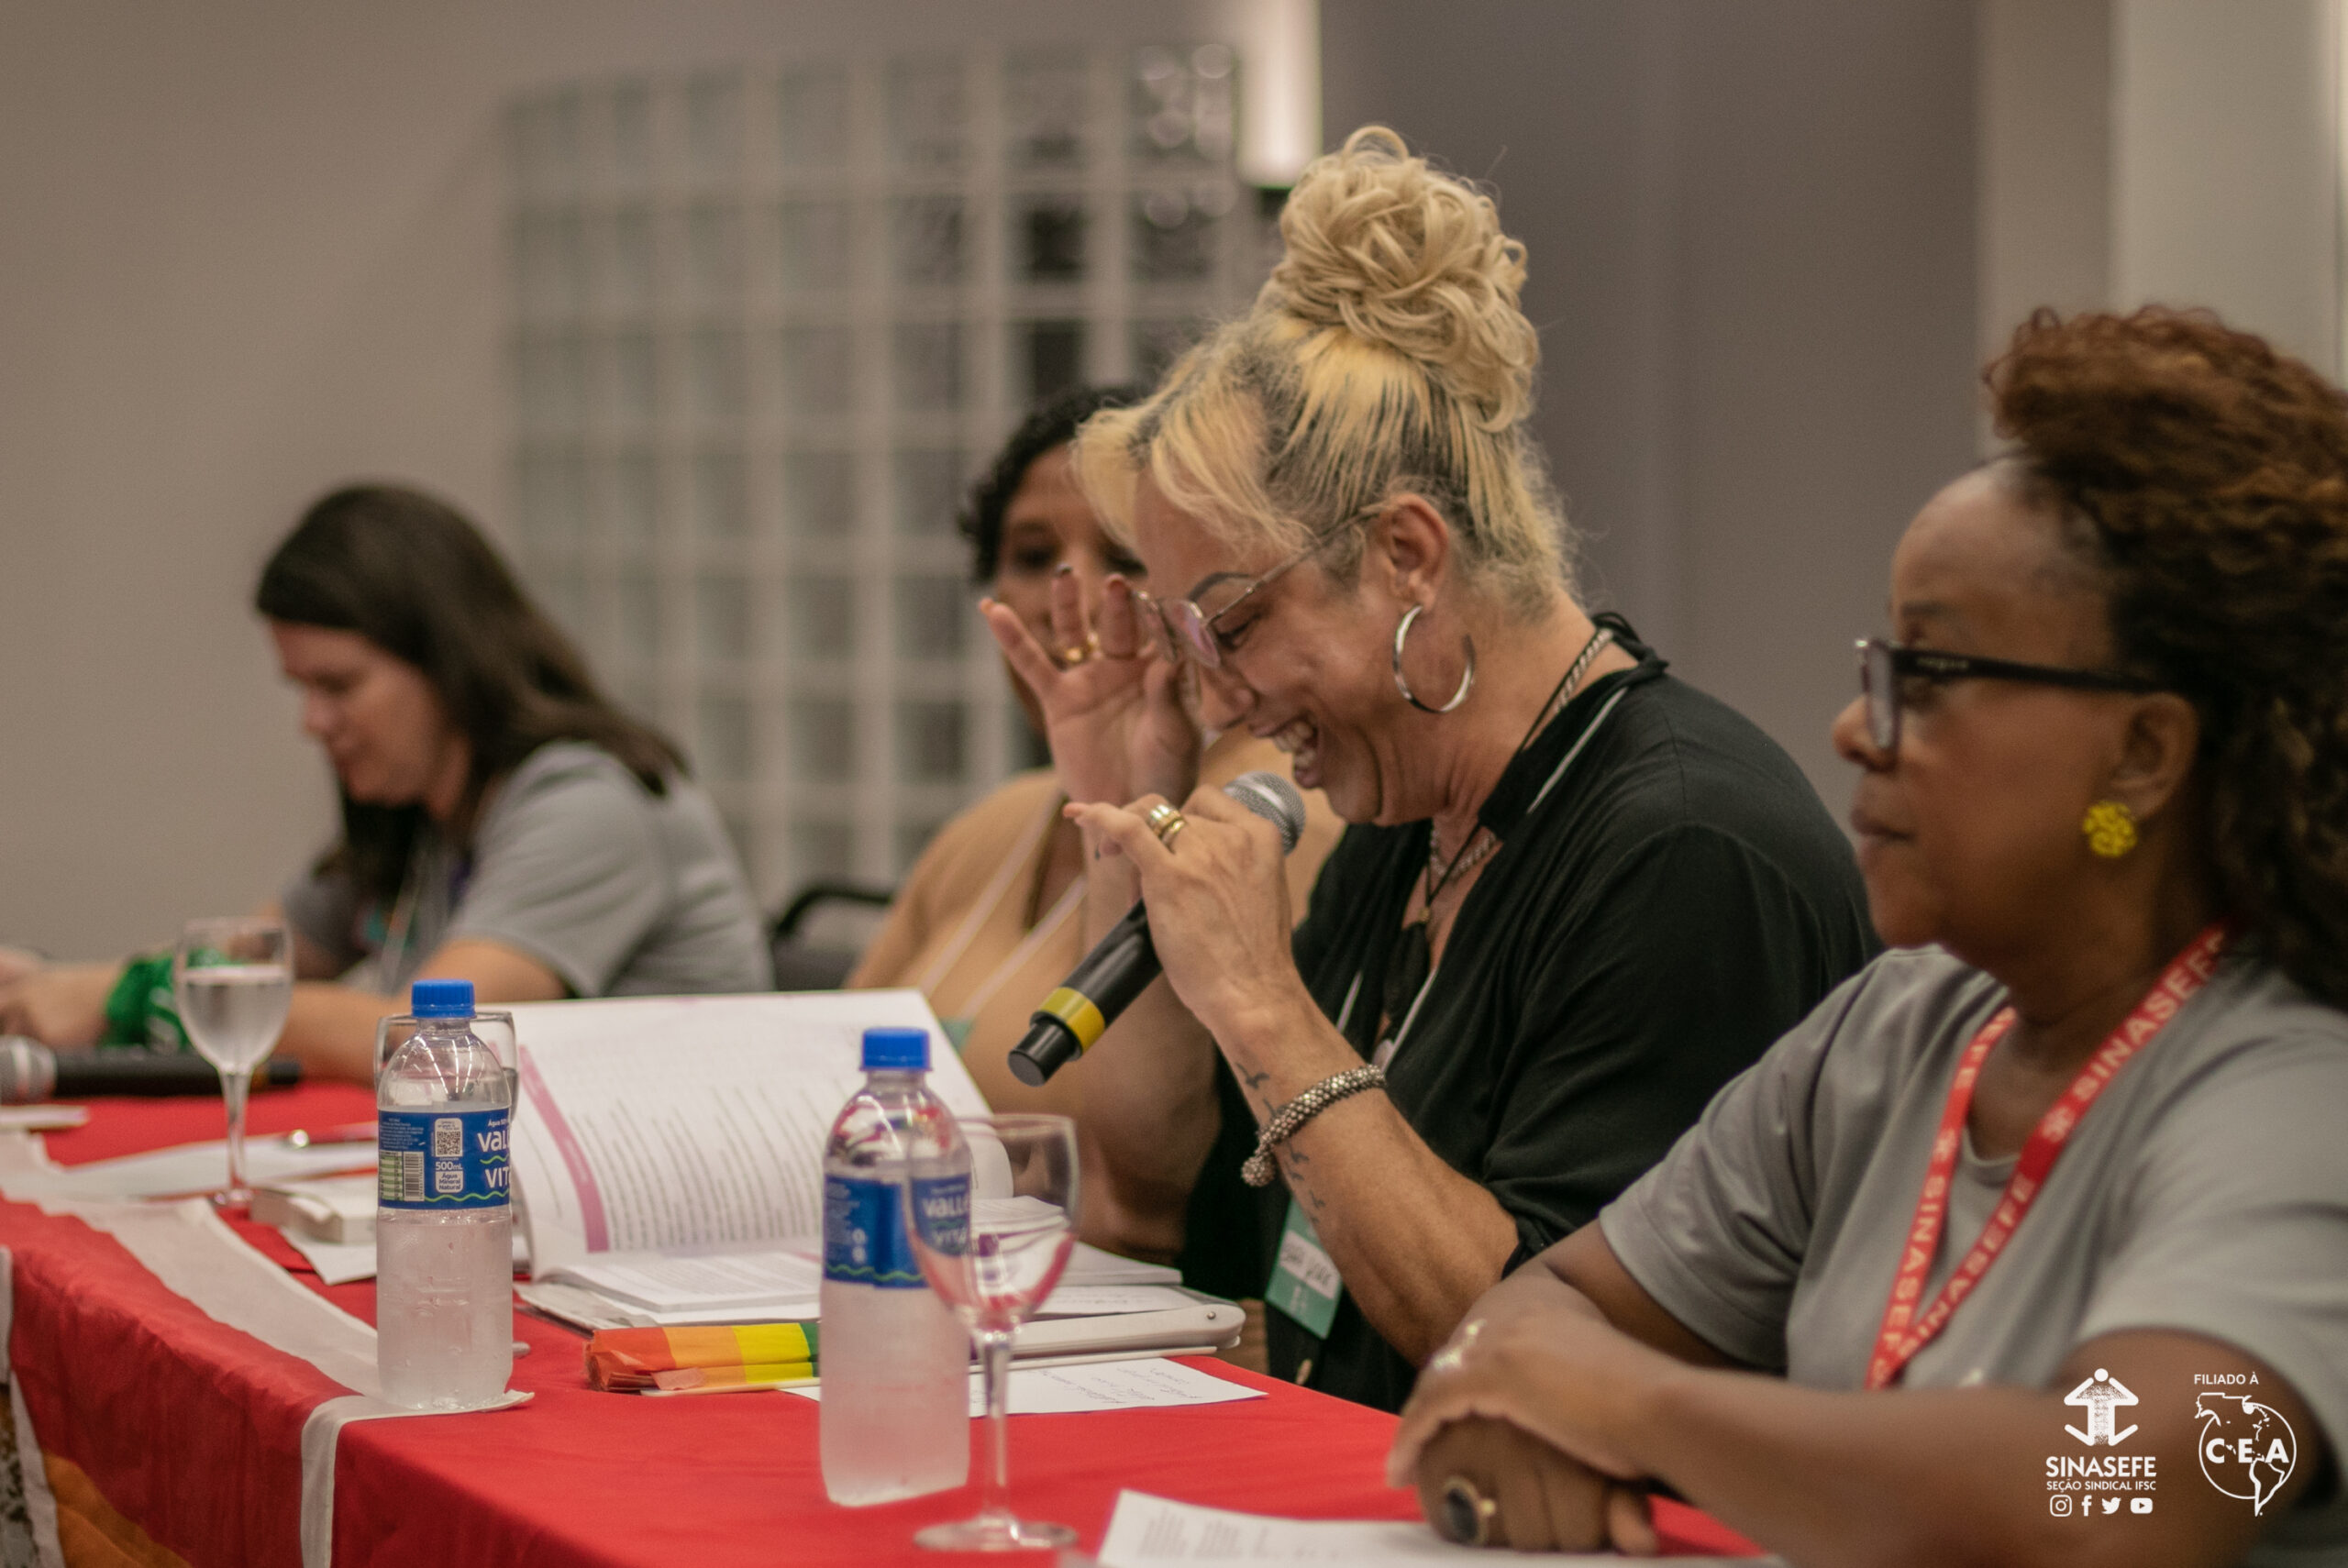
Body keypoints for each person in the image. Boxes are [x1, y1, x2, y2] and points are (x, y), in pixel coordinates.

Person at [1389, 308, 2348, 1564]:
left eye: (1929, 676)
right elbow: (1542, 1307)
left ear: (2142, 755)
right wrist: (1515, 1402)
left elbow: (2120, 1493)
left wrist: (1627, 1409)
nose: (1855, 728)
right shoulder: (1897, 1025)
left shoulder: (2299, 1097)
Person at [987, 127, 1876, 1410]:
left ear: (1406, 555)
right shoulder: (1410, 827)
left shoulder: (1685, 851)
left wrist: (1265, 1004)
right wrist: (1138, 811)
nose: (1219, 697)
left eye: (1234, 624)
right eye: (1187, 644)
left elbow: (1549, 1357)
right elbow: (1161, 1194)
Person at [0, 485, 771, 1081]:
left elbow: (427, 1043)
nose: (312, 722)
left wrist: (123, 997)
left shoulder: (590, 805)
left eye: (338, 686)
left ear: (447, 661)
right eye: (301, 689)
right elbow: (252, 956)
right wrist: (70, 985)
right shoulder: (414, 810)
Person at [849, 386, 1342, 1264]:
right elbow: (827, 1073)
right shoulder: (995, 823)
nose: (1066, 594)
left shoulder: (1280, 816)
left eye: (1122, 554)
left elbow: (1166, 1201)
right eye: (1033, 556)